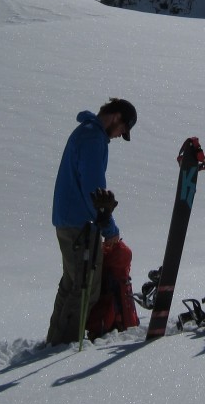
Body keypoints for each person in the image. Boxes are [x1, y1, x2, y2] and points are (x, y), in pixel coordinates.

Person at [45, 97, 137, 347]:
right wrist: (109, 227)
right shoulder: (93, 138)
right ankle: (63, 346)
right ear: (116, 117)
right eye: (122, 130)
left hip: (68, 220)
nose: (120, 136)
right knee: (86, 288)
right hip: (80, 223)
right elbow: (94, 190)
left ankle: (54, 341)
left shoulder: (85, 132)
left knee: (71, 282)